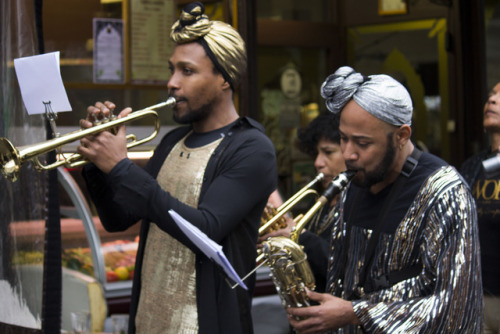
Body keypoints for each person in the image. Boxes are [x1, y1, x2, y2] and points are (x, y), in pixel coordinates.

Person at [77, 2, 277, 334]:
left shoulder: (252, 148)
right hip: (149, 321)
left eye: (187, 71)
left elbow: (206, 229)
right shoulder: (172, 140)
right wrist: (99, 165)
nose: (171, 82)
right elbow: (118, 219)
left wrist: (122, 167)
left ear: (224, 79)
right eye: (172, 69)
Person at [286, 66, 483, 333]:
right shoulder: (355, 181)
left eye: (363, 143)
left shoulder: (444, 192)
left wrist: (354, 313)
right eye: (343, 139)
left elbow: (455, 310)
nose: (348, 154)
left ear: (402, 136)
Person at [259, 112, 345, 292]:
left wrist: (300, 236)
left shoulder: (356, 202)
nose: (318, 162)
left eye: (328, 152)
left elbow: (344, 267)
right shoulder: (321, 203)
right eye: (317, 153)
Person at [460, 81, 500, 334]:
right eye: (491, 95)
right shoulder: (473, 166)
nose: (492, 101)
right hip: (478, 297)